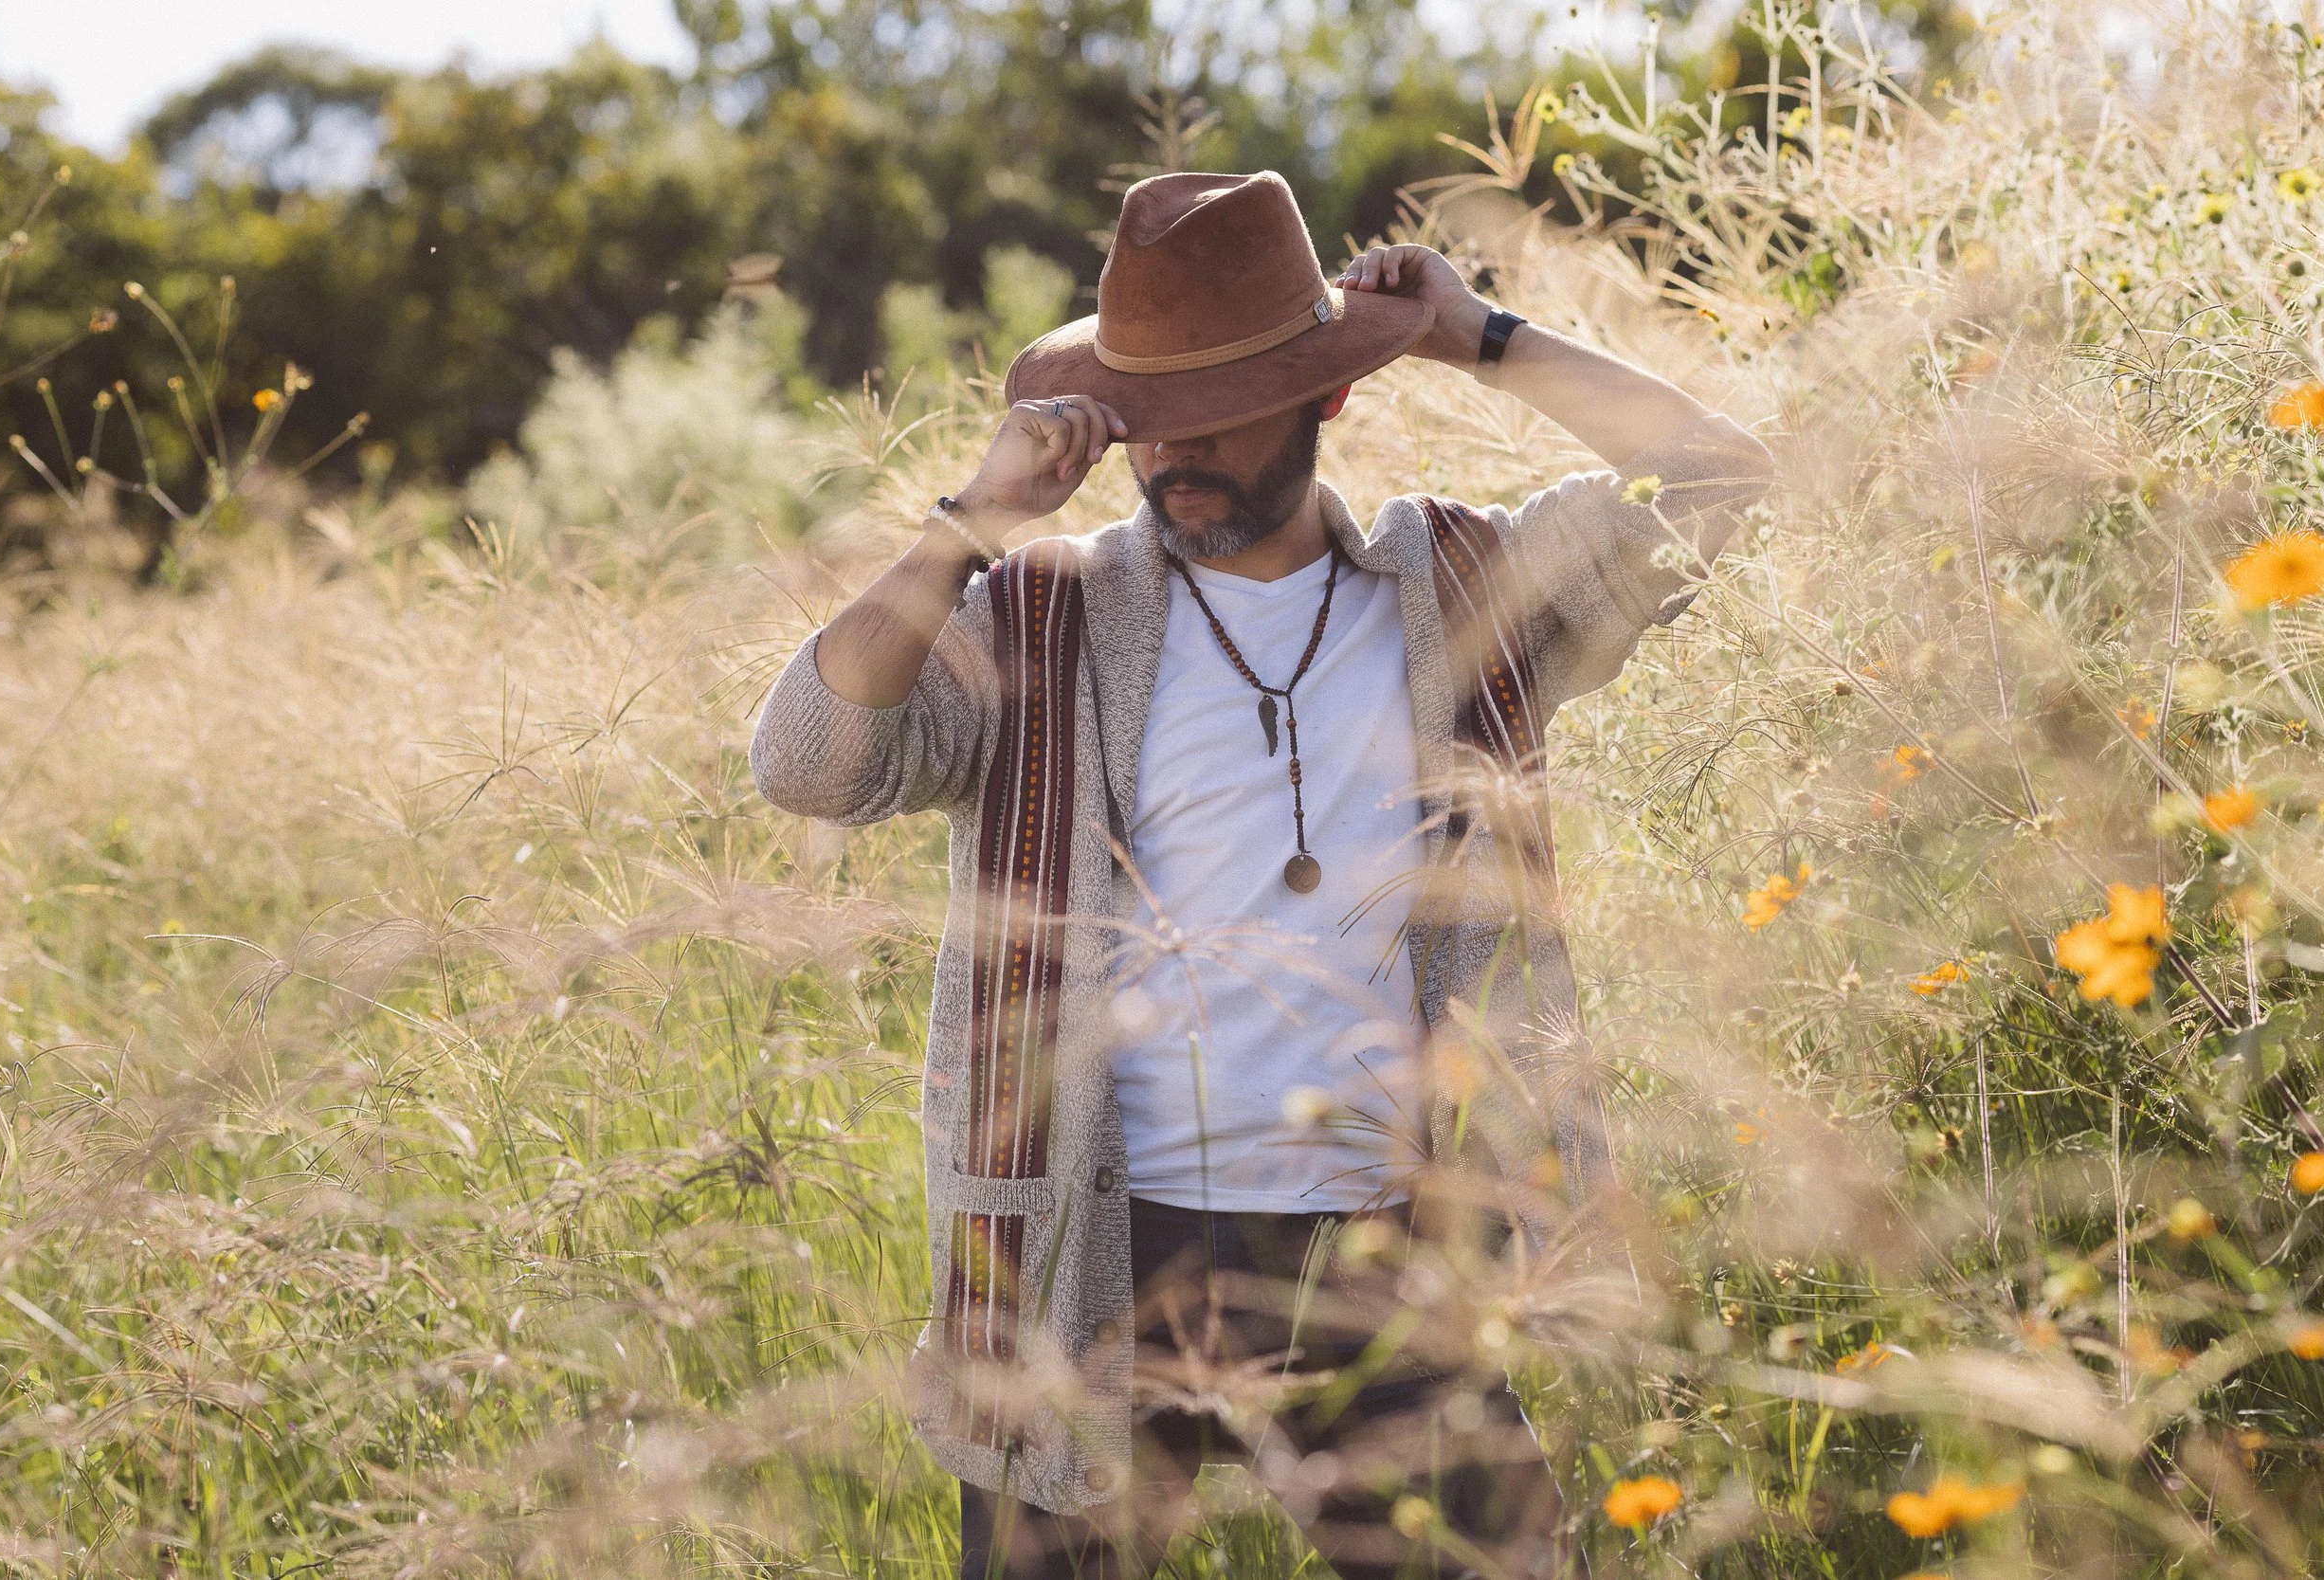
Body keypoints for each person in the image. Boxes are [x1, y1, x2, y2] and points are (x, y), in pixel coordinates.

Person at [751, 169, 1773, 1578]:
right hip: (1089, 1251)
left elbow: (1722, 484)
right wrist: (969, 522)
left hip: (1382, 1258)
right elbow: (807, 760)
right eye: (1147, 417)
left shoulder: (1458, 586)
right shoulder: (1042, 616)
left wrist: (1479, 337)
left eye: (1221, 407)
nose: (1176, 453)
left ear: (1328, 394)